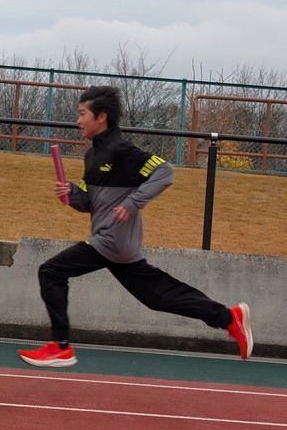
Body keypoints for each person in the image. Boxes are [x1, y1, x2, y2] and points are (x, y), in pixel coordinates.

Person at [18, 85, 253, 368]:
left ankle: (60, 346)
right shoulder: (92, 156)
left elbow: (165, 171)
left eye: (82, 114)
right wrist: (71, 194)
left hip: (111, 240)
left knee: (51, 271)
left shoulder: (122, 150)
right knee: (156, 297)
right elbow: (90, 202)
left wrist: (131, 204)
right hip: (114, 243)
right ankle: (228, 318)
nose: (78, 120)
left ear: (101, 117)